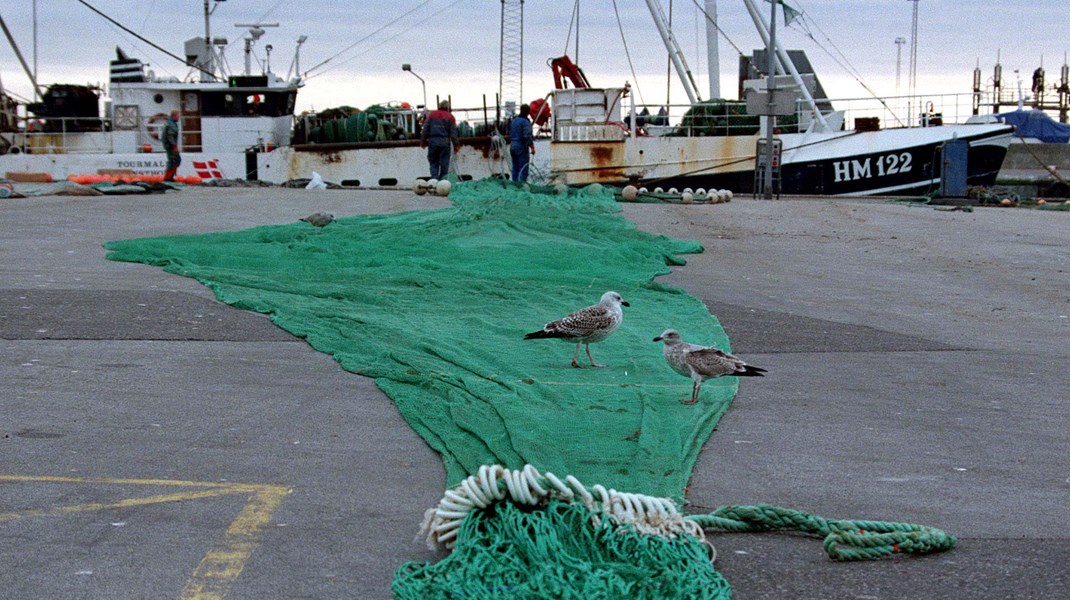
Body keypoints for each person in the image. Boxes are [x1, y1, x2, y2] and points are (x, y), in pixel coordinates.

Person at [420, 100, 459, 179]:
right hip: (445, 142)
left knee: (433, 162)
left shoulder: (432, 115)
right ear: (448, 107)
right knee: (444, 163)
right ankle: (443, 181)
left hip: (433, 141)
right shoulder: (450, 117)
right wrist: (456, 145)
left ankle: (434, 179)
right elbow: (453, 133)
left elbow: (425, 129)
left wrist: (423, 141)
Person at [509, 104, 535, 182]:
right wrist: (532, 146)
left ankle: (514, 185)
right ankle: (521, 186)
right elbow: (527, 136)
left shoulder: (514, 121)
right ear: (528, 112)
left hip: (512, 145)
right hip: (521, 146)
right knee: (523, 168)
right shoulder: (525, 121)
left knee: (515, 167)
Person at [162, 110, 181, 182]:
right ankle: (167, 178)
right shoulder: (171, 124)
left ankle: (170, 177)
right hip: (170, 146)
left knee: (176, 160)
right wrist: (175, 146)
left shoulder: (171, 123)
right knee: (173, 161)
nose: (179, 117)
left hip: (170, 146)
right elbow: (170, 137)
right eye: (178, 116)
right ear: (174, 116)